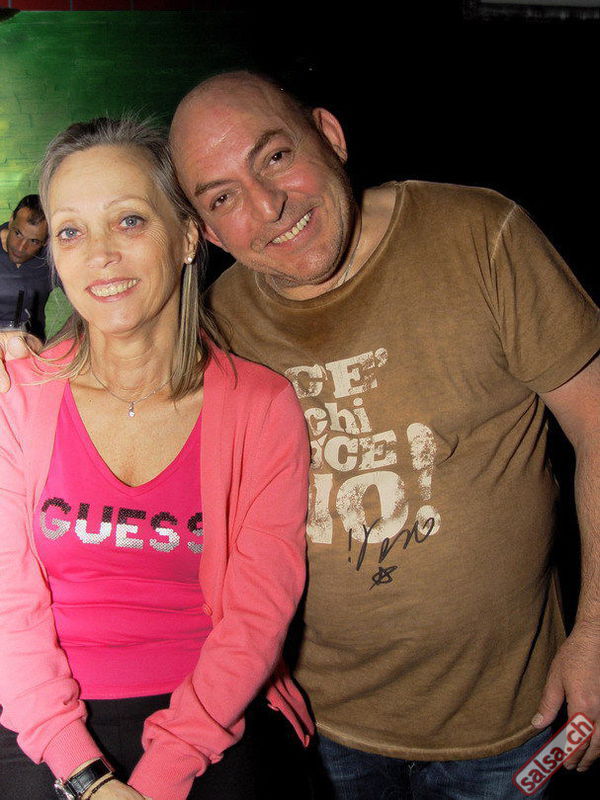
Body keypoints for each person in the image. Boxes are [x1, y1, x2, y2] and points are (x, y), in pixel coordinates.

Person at [167, 72, 599, 799]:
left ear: (329, 136)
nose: (268, 207)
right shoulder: (218, 325)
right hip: (318, 732)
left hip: (512, 723)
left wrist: (597, 633)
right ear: (208, 232)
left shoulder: (480, 235)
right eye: (223, 198)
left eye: (275, 157)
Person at [0, 116, 312, 800]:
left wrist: (166, 772)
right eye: (70, 232)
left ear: (188, 236)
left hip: (212, 707)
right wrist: (87, 778)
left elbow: (257, 615)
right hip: (44, 717)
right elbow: (8, 609)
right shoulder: (18, 397)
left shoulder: (261, 407)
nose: (100, 255)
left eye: (130, 220)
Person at [0, 194, 52, 341]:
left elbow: (87, 310)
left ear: (46, 241)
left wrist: (56, 346)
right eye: (18, 233)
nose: (21, 247)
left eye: (34, 241)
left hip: (30, 350)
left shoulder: (52, 261)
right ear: (11, 221)